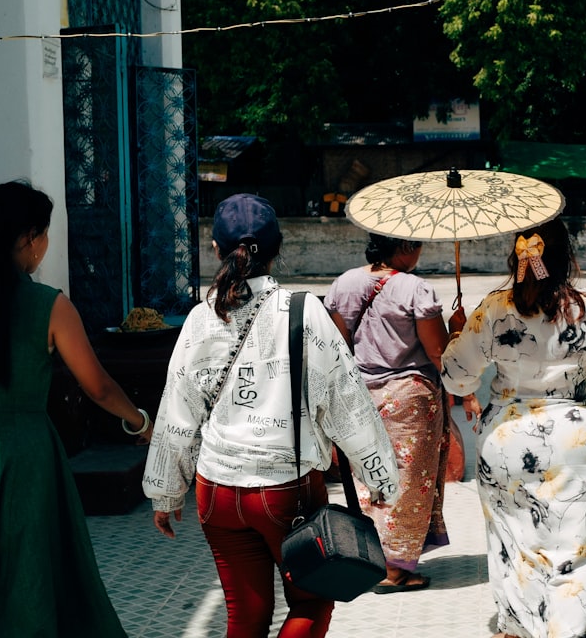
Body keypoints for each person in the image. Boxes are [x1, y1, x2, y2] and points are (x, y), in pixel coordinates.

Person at [143, 194, 399, 638]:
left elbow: (177, 414)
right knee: (312, 599)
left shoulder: (201, 319)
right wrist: (380, 478)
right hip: (286, 493)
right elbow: (347, 403)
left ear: (217, 250)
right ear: (279, 248)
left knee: (245, 615)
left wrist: (165, 493)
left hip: (216, 494)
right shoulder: (304, 312)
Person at [441, 217, 586, 638]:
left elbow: (457, 378)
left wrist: (459, 336)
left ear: (518, 255)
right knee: (579, 543)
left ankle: (518, 627)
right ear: (567, 256)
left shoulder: (493, 308)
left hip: (505, 435)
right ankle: (567, 629)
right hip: (573, 434)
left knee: (514, 540)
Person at [0, 180, 153, 637]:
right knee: (30, 574)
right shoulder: (49, 305)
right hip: (27, 460)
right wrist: (140, 421)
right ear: (28, 239)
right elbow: (97, 386)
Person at [323, 233, 461, 593]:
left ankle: (372, 556)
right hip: (409, 399)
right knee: (408, 483)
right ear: (404, 248)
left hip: (360, 397)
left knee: (370, 479)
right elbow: (437, 351)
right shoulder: (416, 289)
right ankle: (394, 568)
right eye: (417, 246)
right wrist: (457, 332)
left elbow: (337, 345)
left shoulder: (344, 283)